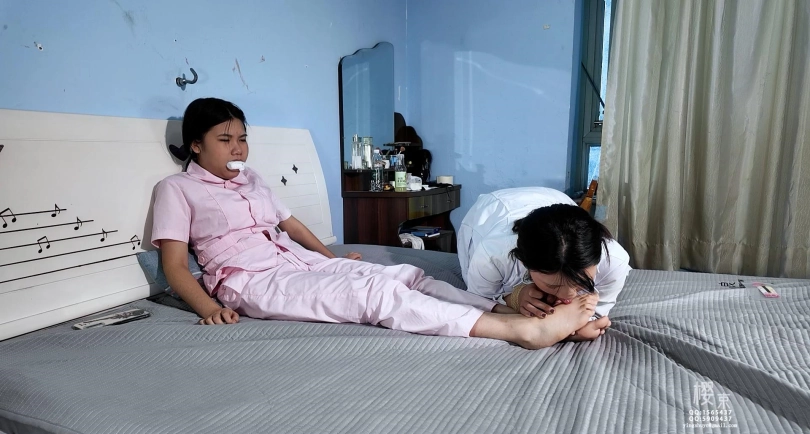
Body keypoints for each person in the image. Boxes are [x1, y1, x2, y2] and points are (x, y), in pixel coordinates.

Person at [150, 98, 596, 350]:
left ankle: (506, 308)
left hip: (297, 262)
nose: (238, 149)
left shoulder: (252, 181)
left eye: (243, 139)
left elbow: (291, 225)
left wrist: (332, 259)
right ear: (196, 145)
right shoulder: (177, 189)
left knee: (407, 275)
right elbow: (174, 266)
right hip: (250, 280)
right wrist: (208, 309)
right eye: (225, 140)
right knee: (375, 295)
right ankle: (517, 330)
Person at [458, 187, 632, 341]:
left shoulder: (615, 261)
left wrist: (582, 325)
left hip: (555, 202)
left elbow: (598, 313)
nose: (568, 296)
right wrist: (514, 298)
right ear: (524, 262)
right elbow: (477, 302)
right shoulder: (491, 254)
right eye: (553, 286)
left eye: (581, 283)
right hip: (489, 211)